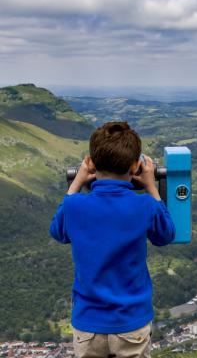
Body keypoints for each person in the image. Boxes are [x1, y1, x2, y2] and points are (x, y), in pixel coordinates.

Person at [50, 121, 176, 358]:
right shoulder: (145, 205)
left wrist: (77, 180)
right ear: (135, 166)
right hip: (131, 322)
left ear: (93, 164)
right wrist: (151, 187)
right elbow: (166, 235)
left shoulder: (75, 205)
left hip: (88, 324)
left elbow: (58, 231)